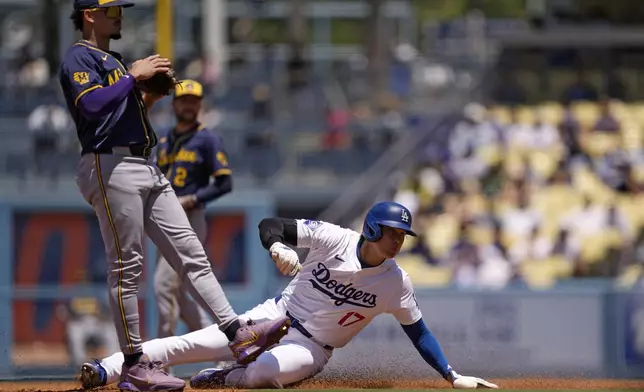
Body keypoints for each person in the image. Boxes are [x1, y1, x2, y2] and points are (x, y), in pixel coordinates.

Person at [58, 2, 290, 391]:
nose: (120, 14)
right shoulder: (78, 56)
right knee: (126, 269)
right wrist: (133, 76)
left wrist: (148, 93)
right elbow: (93, 106)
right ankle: (134, 366)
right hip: (109, 165)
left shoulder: (111, 59)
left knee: (192, 255)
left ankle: (237, 334)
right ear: (89, 15)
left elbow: (118, 107)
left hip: (144, 164)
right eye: (111, 8)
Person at [79, 202, 499, 390]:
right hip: (272, 315)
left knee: (263, 374)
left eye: (402, 235)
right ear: (372, 229)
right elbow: (270, 224)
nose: (397, 241)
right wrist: (278, 247)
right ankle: (104, 370)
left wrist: (450, 375)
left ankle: (226, 377)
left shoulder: (396, 282)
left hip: (312, 347)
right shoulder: (335, 238)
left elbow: (419, 333)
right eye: (391, 232)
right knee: (190, 343)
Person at [153, 79, 232, 340]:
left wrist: (192, 199)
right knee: (178, 290)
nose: (189, 105)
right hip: (163, 217)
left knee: (164, 286)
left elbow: (224, 183)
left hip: (188, 217)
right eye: (184, 100)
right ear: (174, 103)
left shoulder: (207, 138)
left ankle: (161, 360)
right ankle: (221, 345)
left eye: (194, 101)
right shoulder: (164, 137)